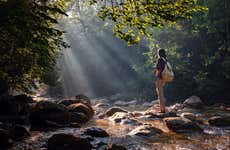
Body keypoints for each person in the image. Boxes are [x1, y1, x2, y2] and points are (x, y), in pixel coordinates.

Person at [155, 48, 167, 113]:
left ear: (159, 53)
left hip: (160, 77)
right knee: (161, 93)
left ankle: (162, 110)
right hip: (164, 77)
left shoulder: (159, 59)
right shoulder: (165, 60)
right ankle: (163, 108)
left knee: (160, 94)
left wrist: (156, 75)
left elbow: (158, 69)